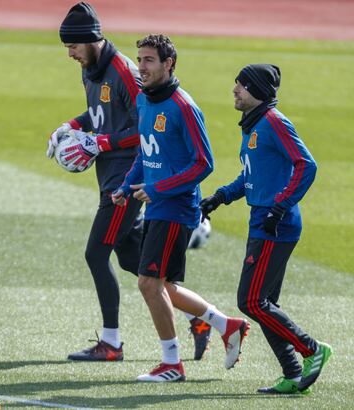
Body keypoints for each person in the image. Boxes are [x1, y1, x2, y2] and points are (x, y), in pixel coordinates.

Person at [46, 2, 211, 362]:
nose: (70, 54)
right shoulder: (90, 67)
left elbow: (144, 129)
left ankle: (111, 343)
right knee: (133, 260)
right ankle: (201, 317)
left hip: (128, 181)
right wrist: (72, 127)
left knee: (96, 253)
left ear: (91, 40)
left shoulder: (124, 71)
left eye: (73, 46)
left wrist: (101, 142)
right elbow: (100, 113)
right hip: (111, 177)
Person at [113, 34, 250, 382]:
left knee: (148, 283)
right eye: (139, 59)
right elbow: (146, 154)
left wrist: (158, 189)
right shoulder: (144, 101)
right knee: (165, 287)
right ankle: (227, 325)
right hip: (159, 206)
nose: (140, 67)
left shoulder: (184, 106)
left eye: (148, 60)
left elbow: (203, 163)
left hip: (176, 209)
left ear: (168, 64)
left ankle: (172, 363)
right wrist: (127, 187)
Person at [200, 64, 332, 393]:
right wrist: (220, 197)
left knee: (252, 301)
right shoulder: (254, 126)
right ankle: (292, 373)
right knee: (267, 303)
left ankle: (312, 350)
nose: (234, 89)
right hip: (262, 220)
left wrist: (279, 206)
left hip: (275, 225)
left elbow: (307, 165)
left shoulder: (274, 122)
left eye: (242, 86)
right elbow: (251, 177)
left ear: (257, 91)